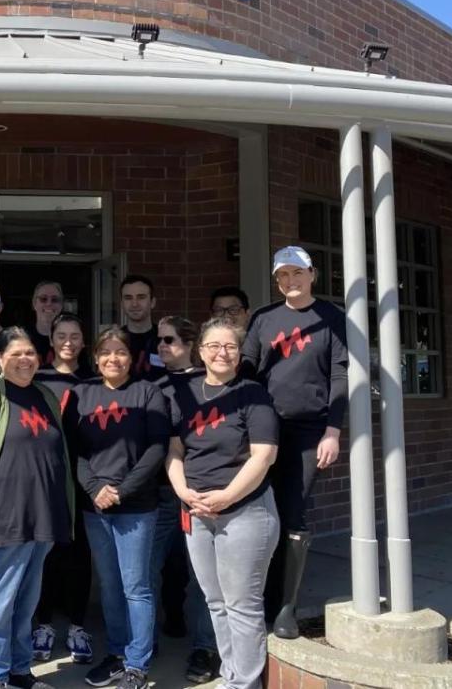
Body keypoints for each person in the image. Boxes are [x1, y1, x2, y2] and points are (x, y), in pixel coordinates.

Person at [0, 328, 74, 689]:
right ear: (0, 358)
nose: (25, 360)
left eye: (31, 354)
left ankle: (20, 671)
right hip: (6, 516)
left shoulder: (45, 395)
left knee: (26, 600)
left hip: (43, 515)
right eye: (16, 353)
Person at [167, 319, 279, 689]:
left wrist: (226, 496)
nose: (221, 353)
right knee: (215, 602)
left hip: (244, 513)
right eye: (213, 346)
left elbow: (263, 456)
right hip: (197, 513)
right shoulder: (185, 393)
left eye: (230, 346)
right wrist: (182, 490)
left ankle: (244, 683)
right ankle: (232, 675)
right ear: (200, 351)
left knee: (242, 606)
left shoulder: (253, 394)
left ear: (239, 352)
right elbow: (175, 449)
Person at [241, 247, 346, 639]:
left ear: (312, 274)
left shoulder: (332, 317)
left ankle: (286, 606)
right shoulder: (264, 318)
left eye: (297, 273)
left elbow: (339, 375)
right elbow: (248, 368)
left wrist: (332, 431)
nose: (290, 281)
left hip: (308, 430)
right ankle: (259, 598)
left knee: (294, 511)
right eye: (283, 275)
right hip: (264, 426)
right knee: (256, 507)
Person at [66, 327, 169, 689]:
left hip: (136, 506)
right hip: (96, 507)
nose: (113, 358)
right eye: (106, 352)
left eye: (121, 351)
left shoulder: (148, 392)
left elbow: (157, 449)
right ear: (95, 357)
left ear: (131, 357)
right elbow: (72, 449)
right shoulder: (82, 394)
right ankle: (116, 654)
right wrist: (95, 488)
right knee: (110, 584)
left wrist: (121, 491)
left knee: (136, 585)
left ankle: (138, 664)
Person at [150, 316, 219, 685]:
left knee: (204, 577)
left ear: (190, 343)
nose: (162, 347)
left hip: (202, 495)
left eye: (170, 341)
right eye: (159, 341)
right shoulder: (153, 385)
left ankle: (205, 647)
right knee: (146, 570)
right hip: (160, 492)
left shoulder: (209, 384)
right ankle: (143, 642)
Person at [31, 313, 94, 666]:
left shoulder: (95, 380)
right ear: (51, 340)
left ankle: (77, 625)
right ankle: (43, 624)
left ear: (84, 342)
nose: (68, 341)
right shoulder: (36, 379)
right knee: (46, 554)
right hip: (45, 478)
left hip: (85, 477)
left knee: (79, 555)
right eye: (61, 335)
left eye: (75, 335)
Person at [120, 275, 163, 379]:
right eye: (128, 298)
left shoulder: (166, 339)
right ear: (122, 304)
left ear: (152, 302)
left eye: (141, 297)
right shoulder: (115, 340)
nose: (134, 304)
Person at [25, 281, 64, 366]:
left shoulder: (70, 338)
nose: (49, 303)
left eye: (55, 300)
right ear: (34, 303)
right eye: (43, 299)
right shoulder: (22, 337)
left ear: (61, 305)